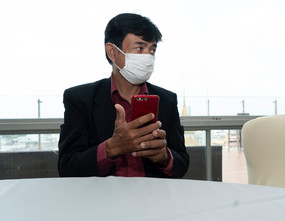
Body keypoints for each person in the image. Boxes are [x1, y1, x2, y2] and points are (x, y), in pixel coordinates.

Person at [58, 13, 189, 178]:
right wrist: (113, 148)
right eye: (140, 48)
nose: (148, 57)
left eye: (152, 50)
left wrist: (163, 157)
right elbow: (67, 167)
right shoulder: (80, 99)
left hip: (152, 198)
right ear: (112, 52)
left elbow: (182, 164)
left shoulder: (167, 100)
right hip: (102, 199)